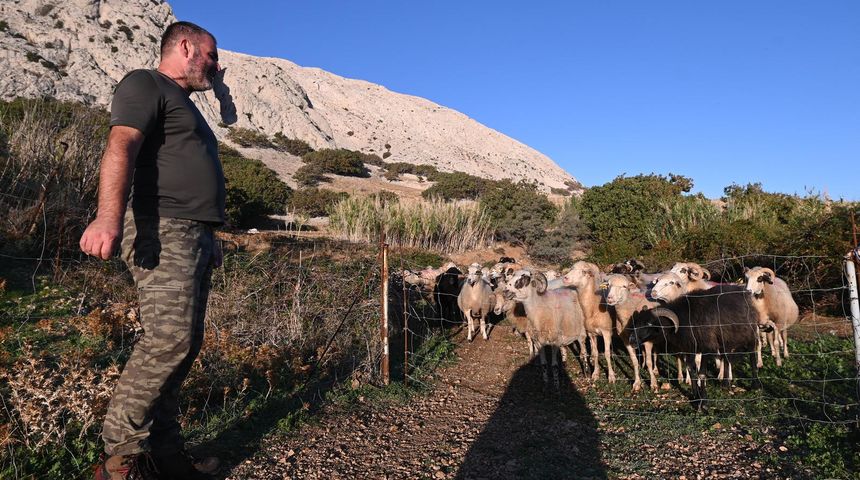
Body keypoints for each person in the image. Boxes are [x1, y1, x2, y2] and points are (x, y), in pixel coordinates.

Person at [81, 21, 225, 480]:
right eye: (211, 55)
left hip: (192, 234)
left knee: (184, 344)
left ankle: (164, 452)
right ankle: (120, 458)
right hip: (161, 228)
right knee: (169, 339)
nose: (216, 65)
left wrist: (210, 236)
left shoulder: (184, 102)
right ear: (186, 47)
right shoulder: (146, 84)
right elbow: (120, 145)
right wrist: (107, 218)